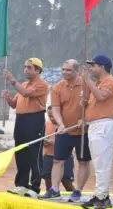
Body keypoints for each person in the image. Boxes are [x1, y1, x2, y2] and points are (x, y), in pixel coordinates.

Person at [40, 59, 90, 202]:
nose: (64, 72)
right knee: (58, 160)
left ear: (77, 71)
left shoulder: (87, 85)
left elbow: (92, 105)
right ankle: (54, 189)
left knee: (83, 162)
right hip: (64, 131)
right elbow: (55, 108)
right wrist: (60, 124)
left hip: (83, 132)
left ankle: (78, 191)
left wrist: (85, 118)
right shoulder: (57, 87)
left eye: (68, 70)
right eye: (63, 69)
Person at [3, 57, 49, 197]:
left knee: (34, 154)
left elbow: (26, 94)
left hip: (34, 119)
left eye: (29, 67)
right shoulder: (24, 84)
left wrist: (11, 79)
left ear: (38, 70)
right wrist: (7, 98)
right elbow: (14, 104)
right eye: (25, 67)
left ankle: (35, 187)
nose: (26, 70)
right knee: (20, 152)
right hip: (21, 120)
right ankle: (21, 184)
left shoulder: (42, 85)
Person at [81, 54, 113, 208]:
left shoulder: (111, 81)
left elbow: (101, 97)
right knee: (98, 163)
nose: (91, 68)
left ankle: (102, 197)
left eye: (93, 65)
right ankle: (100, 195)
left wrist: (87, 80)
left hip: (104, 124)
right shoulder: (97, 83)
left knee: (102, 162)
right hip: (95, 125)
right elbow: (92, 102)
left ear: (102, 66)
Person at [40, 106, 76, 196]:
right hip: (48, 155)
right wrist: (44, 142)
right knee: (48, 180)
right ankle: (50, 197)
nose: (51, 118)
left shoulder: (66, 125)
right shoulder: (46, 124)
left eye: (53, 116)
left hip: (65, 157)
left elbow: (70, 141)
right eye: (49, 116)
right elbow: (42, 138)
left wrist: (54, 143)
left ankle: (75, 197)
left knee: (66, 181)